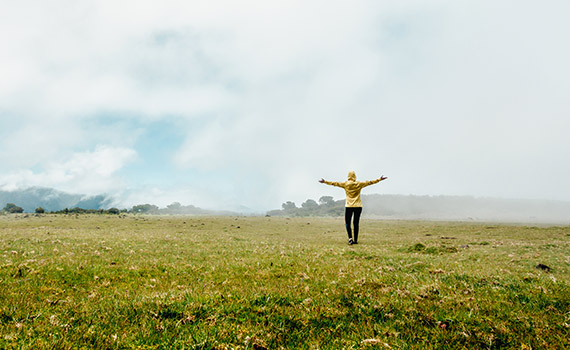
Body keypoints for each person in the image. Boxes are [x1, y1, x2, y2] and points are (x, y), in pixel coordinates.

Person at [319, 171, 387, 245]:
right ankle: (355, 240)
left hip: (349, 206)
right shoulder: (359, 184)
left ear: (348, 176)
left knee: (348, 223)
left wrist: (325, 181)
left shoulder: (345, 184)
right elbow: (370, 182)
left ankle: (350, 238)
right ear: (355, 176)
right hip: (358, 206)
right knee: (356, 223)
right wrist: (379, 179)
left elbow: (335, 183)